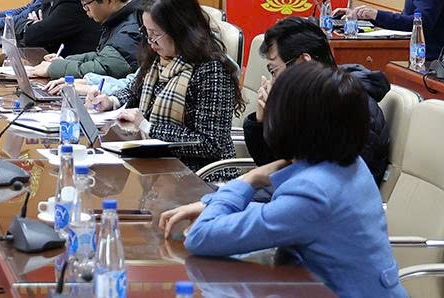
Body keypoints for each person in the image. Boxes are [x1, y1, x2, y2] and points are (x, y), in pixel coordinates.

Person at [160, 62, 406, 298]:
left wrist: (249, 179)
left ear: (288, 122)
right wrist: (210, 204)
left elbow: (200, 237)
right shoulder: (348, 163)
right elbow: (284, 215)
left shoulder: (313, 192)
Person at [89, 0, 241, 171]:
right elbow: (135, 91)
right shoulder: (159, 54)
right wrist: (111, 101)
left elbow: (211, 144)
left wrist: (148, 127)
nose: (150, 41)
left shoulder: (212, 70)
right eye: (147, 32)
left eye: (155, 33)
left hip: (199, 174)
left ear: (180, 29)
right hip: (158, 164)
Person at [245, 16, 390, 184]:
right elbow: (270, 165)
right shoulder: (311, 102)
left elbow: (330, 183)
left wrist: (279, 121)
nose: (273, 81)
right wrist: (262, 122)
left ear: (303, 62)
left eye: (274, 71)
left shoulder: (352, 108)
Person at [28, 0, 141, 79]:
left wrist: (52, 69)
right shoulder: (120, 17)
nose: (84, 8)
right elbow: (102, 56)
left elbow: (103, 68)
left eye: (86, 3)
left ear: (109, 0)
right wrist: (64, 61)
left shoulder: (131, 29)